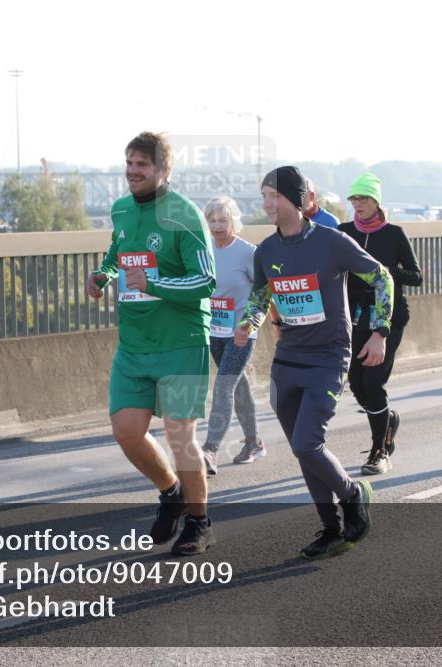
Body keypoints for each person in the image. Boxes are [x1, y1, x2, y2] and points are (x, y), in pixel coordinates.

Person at [235, 165, 394, 561]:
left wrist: (380, 331)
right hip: (287, 360)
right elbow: (260, 296)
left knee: (308, 442)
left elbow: (382, 277)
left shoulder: (331, 242)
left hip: (328, 358)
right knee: (304, 451)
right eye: (264, 196)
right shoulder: (267, 251)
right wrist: (249, 322)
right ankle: (331, 529)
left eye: (274, 196)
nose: (267, 203)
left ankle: (354, 494)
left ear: (298, 199)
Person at [88, 131, 216, 555]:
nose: (132, 171)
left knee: (180, 438)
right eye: (128, 162)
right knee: (126, 431)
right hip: (134, 343)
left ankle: (199, 522)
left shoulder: (185, 215)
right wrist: (104, 275)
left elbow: (207, 280)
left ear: (163, 170)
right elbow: (117, 253)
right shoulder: (122, 209)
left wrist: (156, 283)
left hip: (181, 342)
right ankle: (171, 492)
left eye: (142, 164)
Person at [338, 173, 423, 475]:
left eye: (363, 199)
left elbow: (416, 276)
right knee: (357, 385)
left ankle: (379, 452)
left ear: (376, 203)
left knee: (373, 383)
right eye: (354, 199)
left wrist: (384, 272)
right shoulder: (343, 231)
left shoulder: (395, 234)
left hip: (388, 318)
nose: (358, 204)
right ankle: (388, 421)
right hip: (354, 317)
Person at [200, 197, 263, 475]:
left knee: (224, 386)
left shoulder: (248, 253)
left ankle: (210, 449)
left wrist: (250, 322)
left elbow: (263, 294)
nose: (217, 226)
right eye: (212, 221)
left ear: (234, 222)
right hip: (214, 330)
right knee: (238, 386)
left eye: (223, 220)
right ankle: (253, 442)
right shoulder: (203, 250)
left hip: (241, 332)